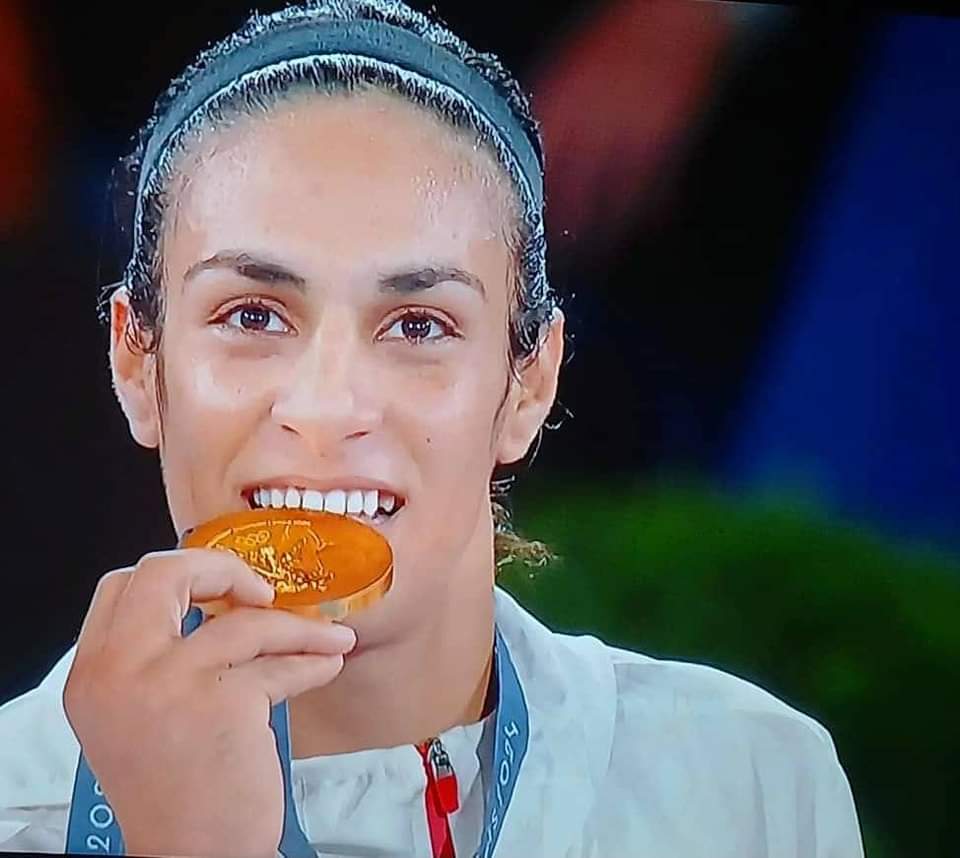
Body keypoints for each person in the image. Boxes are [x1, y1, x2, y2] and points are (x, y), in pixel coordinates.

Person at [0, 2, 864, 856]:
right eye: (254, 316)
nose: (328, 407)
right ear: (134, 362)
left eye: (418, 325)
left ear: (531, 380)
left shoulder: (749, 783)